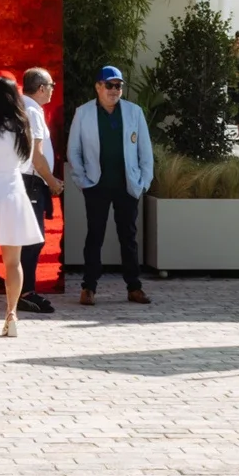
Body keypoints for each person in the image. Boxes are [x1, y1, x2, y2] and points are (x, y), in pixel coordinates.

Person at [65, 66, 154, 306]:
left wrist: (143, 182)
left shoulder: (134, 112)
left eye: (118, 86)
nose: (115, 90)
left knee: (129, 237)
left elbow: (145, 151)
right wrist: (82, 181)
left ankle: (134, 287)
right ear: (98, 86)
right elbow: (74, 151)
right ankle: (88, 288)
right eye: (109, 85)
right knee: (95, 236)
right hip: (96, 185)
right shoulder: (83, 113)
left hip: (127, 186)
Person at [0, 76, 48, 336]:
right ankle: (11, 316)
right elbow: (26, 163)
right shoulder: (22, 125)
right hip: (15, 195)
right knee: (14, 262)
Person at [16, 67, 66, 313]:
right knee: (33, 240)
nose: (53, 90)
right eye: (52, 85)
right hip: (32, 182)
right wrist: (52, 180)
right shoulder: (33, 112)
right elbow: (36, 156)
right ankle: (26, 292)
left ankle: (23, 290)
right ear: (42, 88)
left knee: (28, 239)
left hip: (27, 182)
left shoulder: (21, 107)